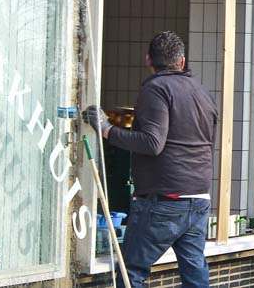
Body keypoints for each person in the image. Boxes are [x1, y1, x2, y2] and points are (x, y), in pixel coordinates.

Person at [82, 31, 218, 288]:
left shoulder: (157, 88)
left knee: (130, 272)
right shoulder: (202, 92)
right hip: (199, 196)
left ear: (148, 60)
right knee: (195, 275)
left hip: (164, 199)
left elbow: (152, 142)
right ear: (182, 61)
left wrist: (106, 129)